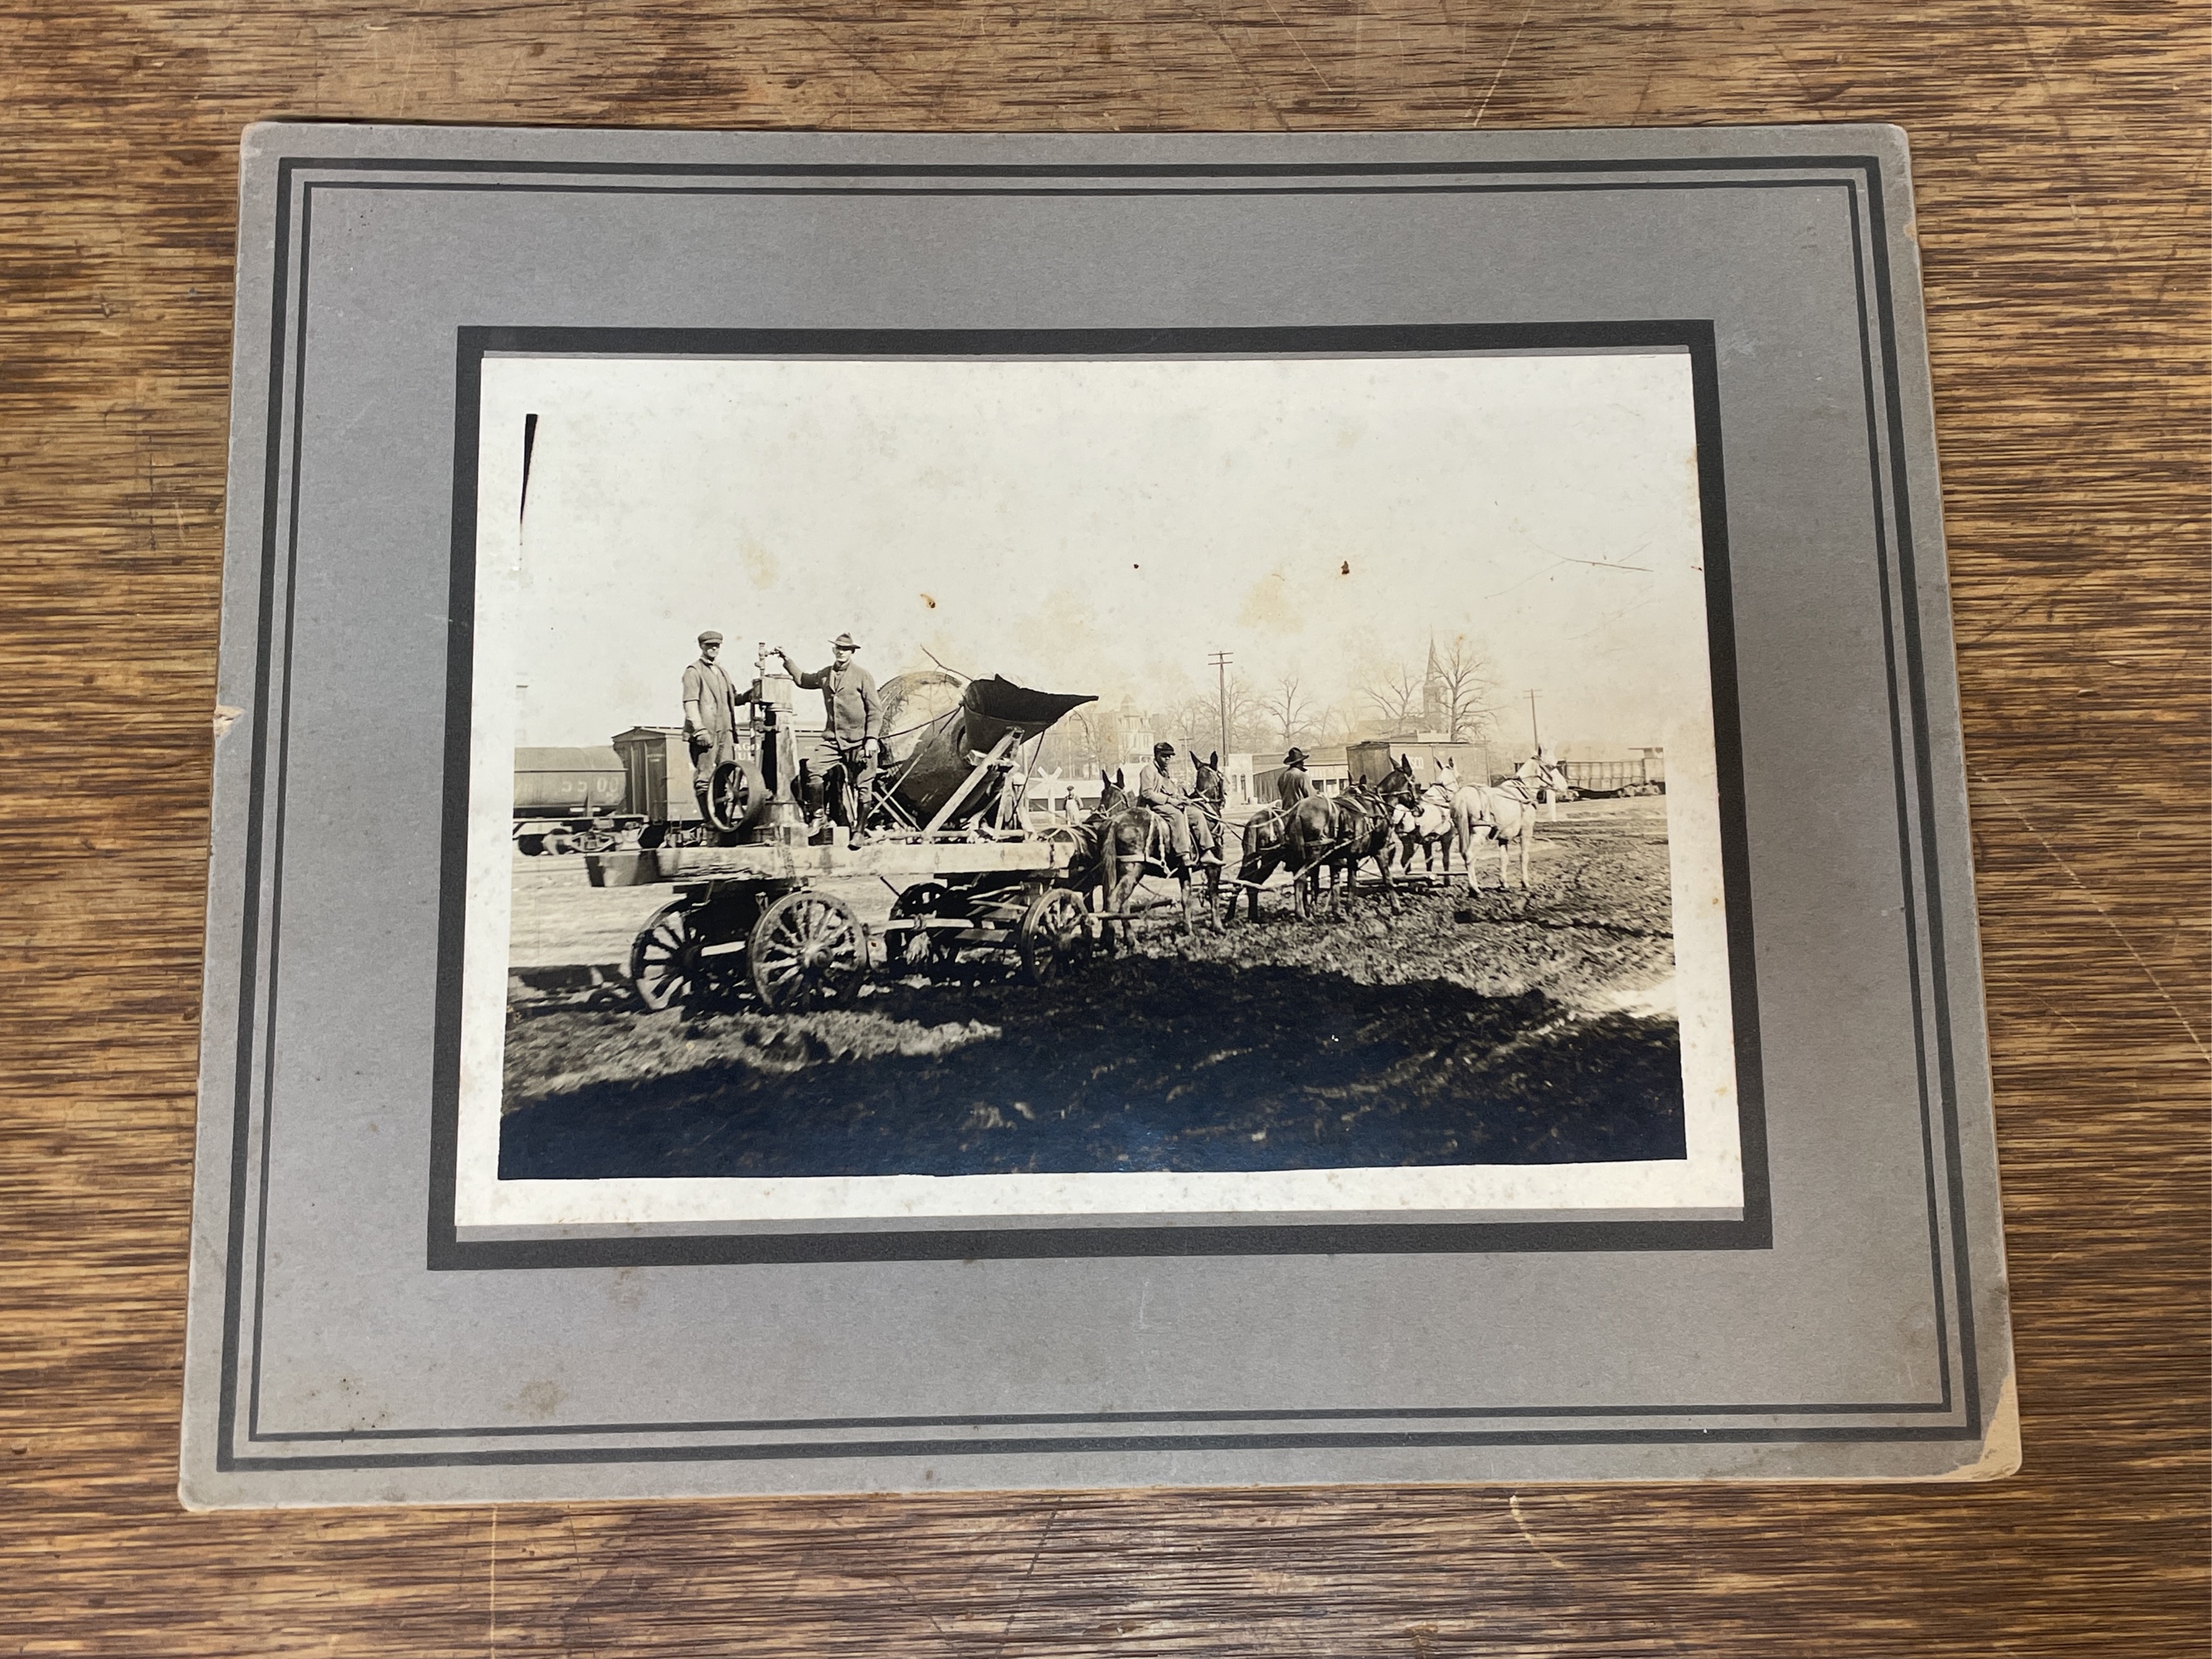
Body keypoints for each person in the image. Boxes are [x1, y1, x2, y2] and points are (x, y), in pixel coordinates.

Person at [780, 633, 881, 844]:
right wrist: (787, 660)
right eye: (838, 648)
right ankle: (818, 816)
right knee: (813, 768)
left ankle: (859, 832)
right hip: (833, 740)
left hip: (860, 741)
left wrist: (871, 739)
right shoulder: (826, 674)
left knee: (864, 786)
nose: (841, 652)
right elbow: (803, 680)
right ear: (834, 650)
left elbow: (874, 711)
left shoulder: (863, 676)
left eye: (846, 649)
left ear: (852, 652)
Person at [681, 630, 755, 820]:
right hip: (706, 732)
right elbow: (690, 703)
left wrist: (750, 695)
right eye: (709, 645)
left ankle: (721, 820)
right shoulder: (694, 671)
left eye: (717, 645)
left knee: (725, 774)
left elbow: (733, 699)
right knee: (704, 777)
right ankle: (709, 821)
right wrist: (699, 730)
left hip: (726, 732)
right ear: (701, 646)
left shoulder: (722, 672)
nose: (713, 648)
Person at [1135, 741, 1219, 869]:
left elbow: (1171, 791)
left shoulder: (1164, 771)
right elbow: (1147, 793)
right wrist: (1170, 800)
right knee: (1177, 815)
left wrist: (1183, 799)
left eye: (1170, 756)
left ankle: (1206, 852)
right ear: (1156, 755)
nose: (1168, 759)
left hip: (1167, 803)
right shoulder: (1148, 770)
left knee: (1196, 814)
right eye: (1164, 756)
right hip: (1154, 806)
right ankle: (1184, 855)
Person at [1276, 747, 1315, 811]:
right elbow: (1311, 796)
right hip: (1300, 811)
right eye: (1302, 761)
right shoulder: (1301, 775)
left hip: (1286, 811)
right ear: (1298, 763)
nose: (1303, 763)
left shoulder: (1282, 776)